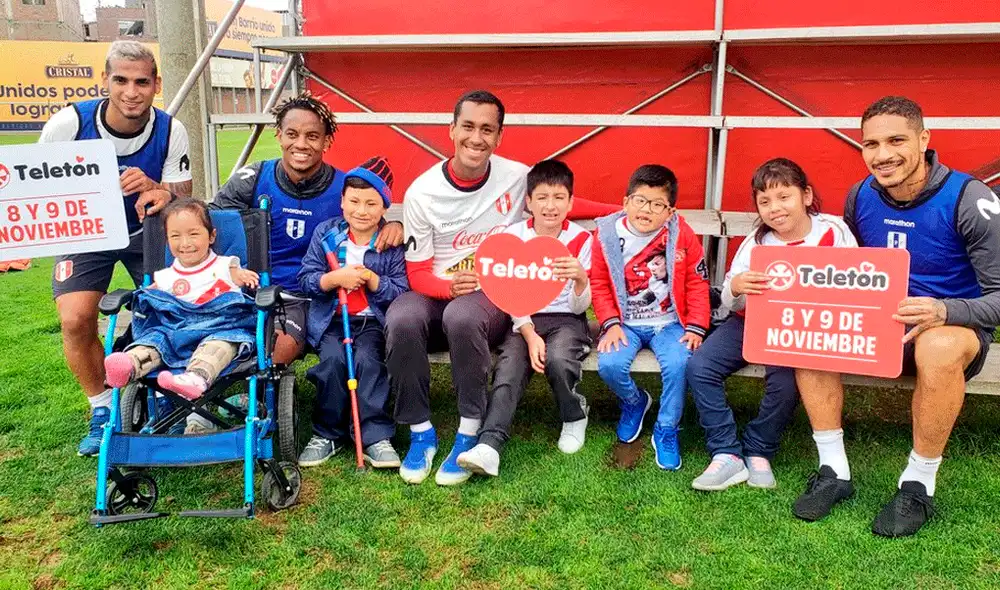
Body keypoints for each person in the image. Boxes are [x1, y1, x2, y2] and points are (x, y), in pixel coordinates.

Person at [791, 96, 1000, 537]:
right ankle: (833, 471)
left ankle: (918, 485)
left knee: (937, 344)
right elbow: (852, 269)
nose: (882, 155)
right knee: (810, 333)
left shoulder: (969, 199)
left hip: (952, 329)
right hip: (880, 327)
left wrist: (945, 309)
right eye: (871, 144)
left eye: (896, 140)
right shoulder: (860, 195)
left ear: (924, 139)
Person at [388, 89, 619, 486]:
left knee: (462, 318)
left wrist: (621, 210)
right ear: (451, 129)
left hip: (491, 291)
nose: (476, 138)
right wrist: (447, 288)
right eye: (468, 127)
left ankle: (467, 429)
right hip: (438, 286)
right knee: (402, 317)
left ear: (499, 137)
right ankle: (420, 430)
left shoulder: (515, 177)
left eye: (487, 130)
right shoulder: (422, 193)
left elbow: (561, 203)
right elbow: (418, 275)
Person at [39, 40, 193, 456]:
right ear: (104, 80)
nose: (131, 91)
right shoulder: (68, 124)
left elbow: (181, 195)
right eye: (121, 80)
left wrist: (155, 188)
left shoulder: (169, 128)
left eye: (142, 82)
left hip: (145, 231)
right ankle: (102, 407)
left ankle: (166, 390)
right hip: (87, 233)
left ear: (156, 84)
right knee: (75, 319)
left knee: (177, 307)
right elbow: (38, 188)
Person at [685, 158, 856, 492]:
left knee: (787, 382)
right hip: (750, 320)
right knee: (700, 366)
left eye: (784, 197)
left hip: (800, 329)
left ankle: (759, 447)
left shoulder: (834, 231)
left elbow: (856, 280)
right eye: (764, 202)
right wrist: (736, 288)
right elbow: (729, 293)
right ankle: (726, 452)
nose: (775, 208)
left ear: (806, 195)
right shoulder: (757, 242)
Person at [210, 92, 403, 366]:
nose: (301, 144)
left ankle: (264, 398)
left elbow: (369, 218)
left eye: (312, 136)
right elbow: (209, 226)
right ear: (278, 135)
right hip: (250, 288)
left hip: (305, 297)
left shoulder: (343, 188)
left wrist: (394, 225)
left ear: (327, 141)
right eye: (292, 134)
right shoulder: (252, 179)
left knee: (279, 347)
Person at [456, 160, 593, 479]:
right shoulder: (513, 236)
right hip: (524, 319)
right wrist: (529, 333)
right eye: (542, 197)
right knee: (510, 368)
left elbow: (580, 306)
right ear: (528, 202)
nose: (550, 205)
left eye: (559, 197)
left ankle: (574, 414)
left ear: (571, 202)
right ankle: (489, 445)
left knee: (558, 358)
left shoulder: (582, 240)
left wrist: (580, 281)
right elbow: (509, 294)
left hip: (567, 319)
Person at [591, 164, 710, 471]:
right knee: (610, 364)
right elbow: (600, 283)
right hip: (626, 322)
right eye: (640, 201)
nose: (647, 210)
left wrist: (696, 325)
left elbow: (697, 282)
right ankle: (634, 402)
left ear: (670, 211)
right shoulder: (606, 234)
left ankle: (667, 427)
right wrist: (611, 323)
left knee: (681, 362)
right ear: (626, 201)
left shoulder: (681, 234)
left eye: (658, 205)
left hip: (669, 322)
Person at [296, 158, 409, 468]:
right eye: (354, 201)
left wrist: (374, 281)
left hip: (371, 323)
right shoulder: (326, 234)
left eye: (371, 203)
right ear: (342, 201)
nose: (362, 210)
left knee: (368, 364)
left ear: (384, 207)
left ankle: (374, 435)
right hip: (332, 321)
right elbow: (306, 278)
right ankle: (327, 432)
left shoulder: (390, 242)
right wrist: (333, 279)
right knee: (333, 363)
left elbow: (400, 289)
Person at [102, 199, 258, 399]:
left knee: (219, 347)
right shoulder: (165, 276)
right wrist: (142, 295)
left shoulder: (225, 266)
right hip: (174, 333)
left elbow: (244, 279)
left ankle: (194, 379)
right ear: (167, 241)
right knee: (154, 341)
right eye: (175, 236)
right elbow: (149, 295)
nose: (185, 243)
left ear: (211, 236)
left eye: (194, 234)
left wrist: (246, 276)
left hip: (218, 329)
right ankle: (129, 365)